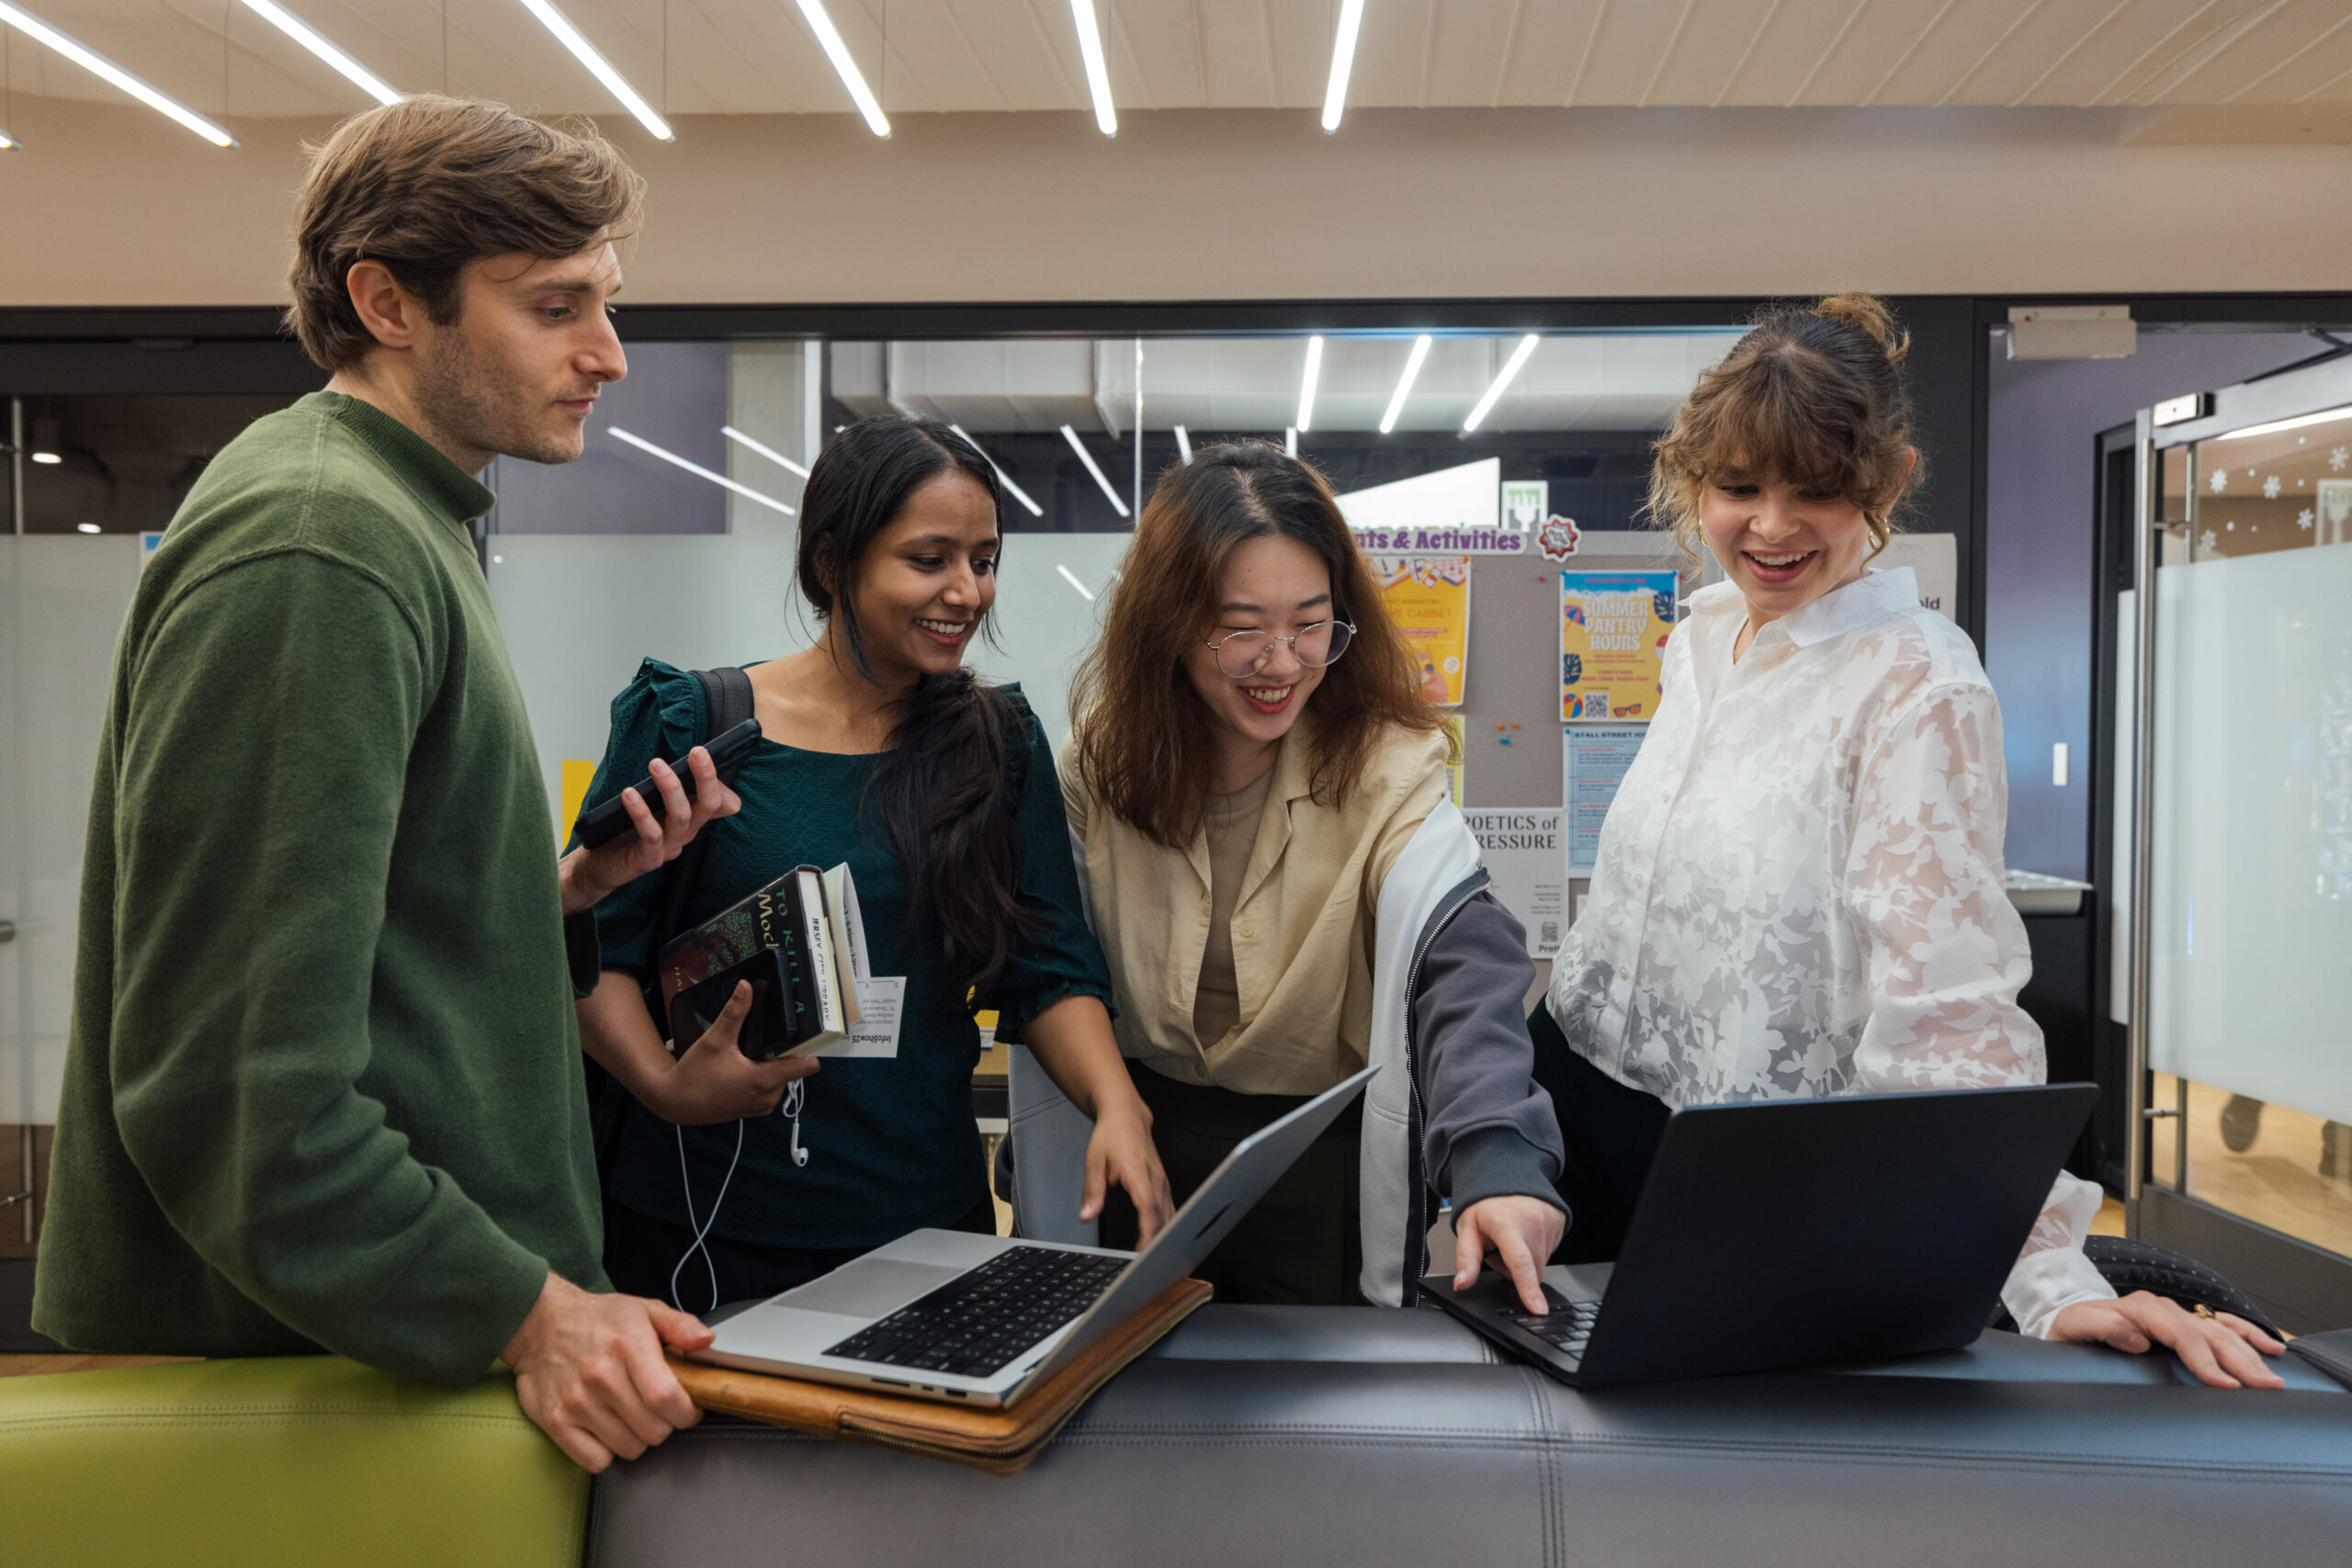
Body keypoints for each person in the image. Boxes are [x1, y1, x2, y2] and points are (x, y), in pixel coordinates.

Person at [33, 96, 741, 1472]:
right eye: (555, 307)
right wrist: (529, 1314)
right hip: (309, 1386)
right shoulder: (321, 545)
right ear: (387, 301)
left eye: (605, 302)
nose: (610, 353)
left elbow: (352, 957)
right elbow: (238, 1098)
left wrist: (557, 892)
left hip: (381, 1353)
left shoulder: (406, 514)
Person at [1544, 292, 2287, 1390]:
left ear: (1884, 483)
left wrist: (2048, 1277)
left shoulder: (1915, 682)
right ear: (1691, 482)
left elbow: (1949, 1006)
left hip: (1748, 1174)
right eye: (1739, 488)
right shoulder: (1704, 637)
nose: (1772, 525)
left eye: (1817, 491)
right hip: (1591, 1113)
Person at [577, 416, 1172, 1311]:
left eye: (983, 558)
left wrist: (1117, 1104)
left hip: (923, 1223)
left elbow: (1047, 965)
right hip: (702, 1222)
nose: (967, 591)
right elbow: (593, 951)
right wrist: (667, 1088)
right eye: (929, 559)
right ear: (832, 563)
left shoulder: (996, 744)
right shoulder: (695, 727)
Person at [1063, 441, 1566, 1313]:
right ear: (1171, 622)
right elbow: (1051, 954)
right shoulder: (1101, 761)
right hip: (1138, 1144)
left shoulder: (1387, 765)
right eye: (1243, 626)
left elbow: (1463, 961)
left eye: (1310, 622)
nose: (1284, 661)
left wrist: (1495, 1156)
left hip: (1312, 1159)